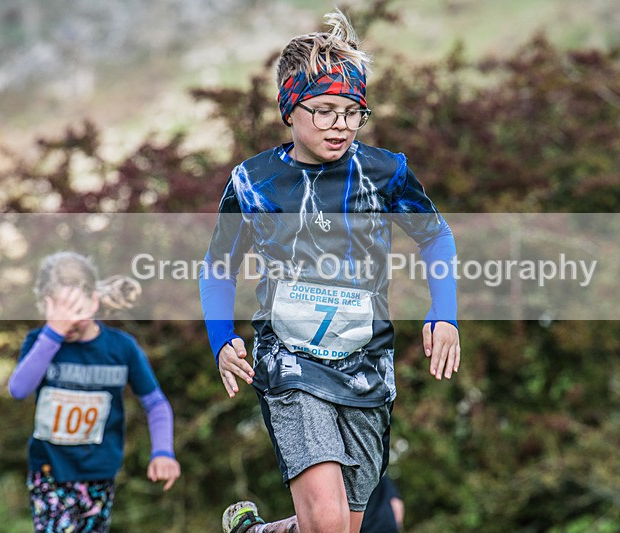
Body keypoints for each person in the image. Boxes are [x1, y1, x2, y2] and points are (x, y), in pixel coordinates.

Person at [200, 10, 459, 533]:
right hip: (290, 364)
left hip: (366, 367)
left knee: (341, 527)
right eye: (322, 111)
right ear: (289, 109)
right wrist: (221, 337)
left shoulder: (384, 174)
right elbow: (218, 267)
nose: (338, 124)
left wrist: (445, 312)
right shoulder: (253, 183)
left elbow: (437, 236)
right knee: (330, 523)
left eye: (351, 112)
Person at [9, 251, 181, 532]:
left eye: (75, 310)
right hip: (49, 471)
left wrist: (163, 451)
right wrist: (52, 333)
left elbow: (155, 403)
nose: (69, 322)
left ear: (94, 301)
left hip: (100, 473)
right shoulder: (39, 343)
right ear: (45, 307)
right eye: (59, 312)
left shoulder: (121, 348)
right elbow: (18, 389)